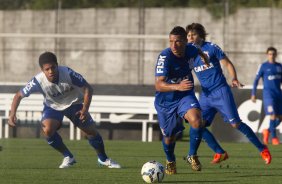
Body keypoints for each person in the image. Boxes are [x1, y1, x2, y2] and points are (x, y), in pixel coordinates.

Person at [8, 51, 121, 169]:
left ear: (57, 65)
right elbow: (18, 95)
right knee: (47, 130)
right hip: (53, 106)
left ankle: (103, 159)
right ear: (42, 70)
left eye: (53, 67)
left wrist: (85, 109)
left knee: (90, 131)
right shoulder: (37, 81)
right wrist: (12, 114)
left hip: (75, 103)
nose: (51, 71)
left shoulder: (67, 72)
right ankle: (68, 156)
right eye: (47, 69)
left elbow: (88, 89)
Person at [186, 23, 272, 165]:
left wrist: (234, 78)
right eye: (188, 35)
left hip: (221, 91)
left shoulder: (211, 48)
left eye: (193, 35)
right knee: (197, 125)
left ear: (200, 35)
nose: (190, 38)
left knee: (236, 124)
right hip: (206, 95)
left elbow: (227, 64)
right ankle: (220, 152)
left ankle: (263, 149)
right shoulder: (189, 54)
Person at [154, 26, 209, 174]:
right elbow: (158, 85)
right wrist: (177, 86)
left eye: (177, 41)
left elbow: (197, 50)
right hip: (166, 102)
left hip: (185, 95)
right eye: (171, 41)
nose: (173, 45)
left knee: (197, 120)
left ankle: (192, 155)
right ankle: (170, 160)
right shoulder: (165, 57)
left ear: (185, 41)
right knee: (169, 137)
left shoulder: (191, 48)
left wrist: (205, 58)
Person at [251, 47, 282, 145]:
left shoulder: (279, 66)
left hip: (278, 94)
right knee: (272, 115)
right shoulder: (263, 66)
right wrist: (253, 93)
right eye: (270, 54)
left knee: (280, 117)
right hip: (269, 95)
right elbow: (256, 80)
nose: (271, 56)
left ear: (276, 55)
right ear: (267, 55)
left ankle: (267, 130)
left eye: (273, 54)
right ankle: (274, 138)